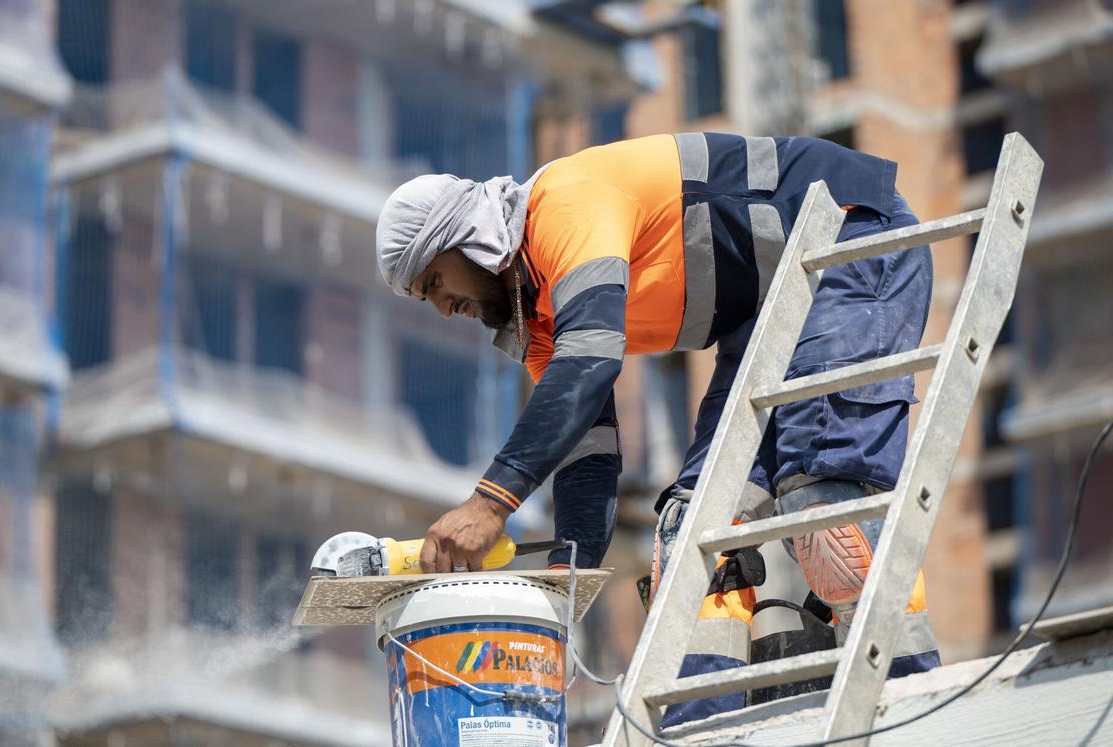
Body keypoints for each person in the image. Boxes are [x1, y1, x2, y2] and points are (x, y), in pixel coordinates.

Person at [374, 133, 941, 724]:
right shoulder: (537, 321)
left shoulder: (562, 205)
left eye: (437, 281)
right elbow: (586, 450)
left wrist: (490, 504)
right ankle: (699, 727)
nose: (443, 307)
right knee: (692, 541)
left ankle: (915, 707)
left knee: (829, 519)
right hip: (765, 314)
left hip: (848, 239)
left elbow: (590, 365)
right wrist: (565, 577)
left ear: (470, 240)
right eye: (426, 299)